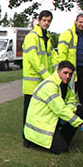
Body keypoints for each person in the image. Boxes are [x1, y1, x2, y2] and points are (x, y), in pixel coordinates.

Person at [24, 60, 83, 154]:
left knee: (80, 109)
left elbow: (72, 102)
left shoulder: (65, 85)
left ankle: (63, 139)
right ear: (58, 72)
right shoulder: (50, 86)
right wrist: (81, 124)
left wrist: (70, 112)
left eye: (70, 74)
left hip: (51, 118)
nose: (68, 76)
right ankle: (33, 141)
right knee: (61, 149)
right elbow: (60, 109)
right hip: (41, 123)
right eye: (65, 73)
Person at [56, 13, 83, 123]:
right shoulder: (67, 34)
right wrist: (63, 71)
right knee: (67, 97)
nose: (82, 24)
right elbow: (62, 54)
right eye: (80, 22)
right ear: (76, 21)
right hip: (70, 72)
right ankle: (64, 120)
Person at [22, 10, 56, 145]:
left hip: (43, 81)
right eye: (45, 20)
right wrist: (47, 75)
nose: (46, 23)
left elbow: (51, 56)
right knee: (29, 111)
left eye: (49, 21)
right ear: (39, 20)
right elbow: (34, 59)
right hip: (33, 81)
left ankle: (35, 137)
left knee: (38, 112)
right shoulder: (32, 37)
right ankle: (26, 138)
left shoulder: (46, 36)